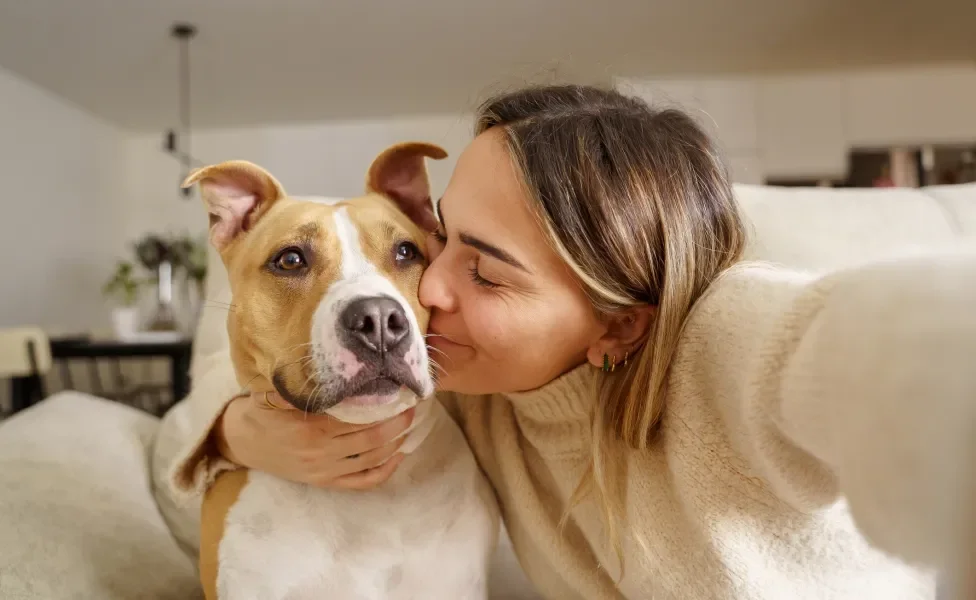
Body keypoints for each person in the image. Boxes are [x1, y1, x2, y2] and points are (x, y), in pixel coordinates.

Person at [151, 84, 976, 599]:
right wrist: (236, 430)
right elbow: (182, 435)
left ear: (618, 324)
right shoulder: (465, 386)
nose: (425, 294)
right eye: (441, 241)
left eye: (486, 271)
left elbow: (862, 344)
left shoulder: (723, 338)